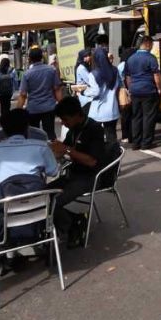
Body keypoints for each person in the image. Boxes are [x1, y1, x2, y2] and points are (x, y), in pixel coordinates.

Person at [0, 109, 60, 261]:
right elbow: (54, 172)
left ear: (4, 130)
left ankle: (6, 255)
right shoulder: (40, 146)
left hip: (4, 220)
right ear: (27, 126)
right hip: (39, 217)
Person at [49, 96, 112, 247]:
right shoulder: (73, 129)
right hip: (72, 174)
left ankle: (73, 225)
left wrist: (67, 150)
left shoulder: (94, 129)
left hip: (89, 177)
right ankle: (70, 220)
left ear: (77, 114)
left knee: (52, 202)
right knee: (40, 196)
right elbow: (63, 150)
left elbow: (92, 161)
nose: (63, 123)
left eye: (65, 119)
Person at [124, 36, 161, 150]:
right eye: (152, 45)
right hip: (148, 90)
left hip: (135, 91)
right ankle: (146, 143)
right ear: (147, 44)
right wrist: (159, 88)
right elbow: (156, 75)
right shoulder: (151, 58)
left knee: (136, 117)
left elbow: (128, 77)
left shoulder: (130, 59)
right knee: (148, 117)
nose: (152, 47)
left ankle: (136, 143)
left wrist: (130, 89)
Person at [19, 46, 64, 139]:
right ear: (42, 57)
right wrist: (63, 106)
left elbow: (23, 95)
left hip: (33, 108)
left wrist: (17, 111)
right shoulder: (51, 70)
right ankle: (52, 151)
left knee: (34, 134)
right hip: (49, 107)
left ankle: (37, 151)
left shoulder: (27, 74)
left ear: (30, 59)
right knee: (50, 132)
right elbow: (57, 89)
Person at [85, 34, 121, 146]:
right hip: (112, 109)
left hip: (98, 111)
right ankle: (114, 158)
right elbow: (118, 85)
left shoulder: (94, 74)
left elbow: (95, 92)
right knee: (111, 137)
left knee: (96, 138)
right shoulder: (115, 70)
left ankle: (101, 160)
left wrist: (83, 91)